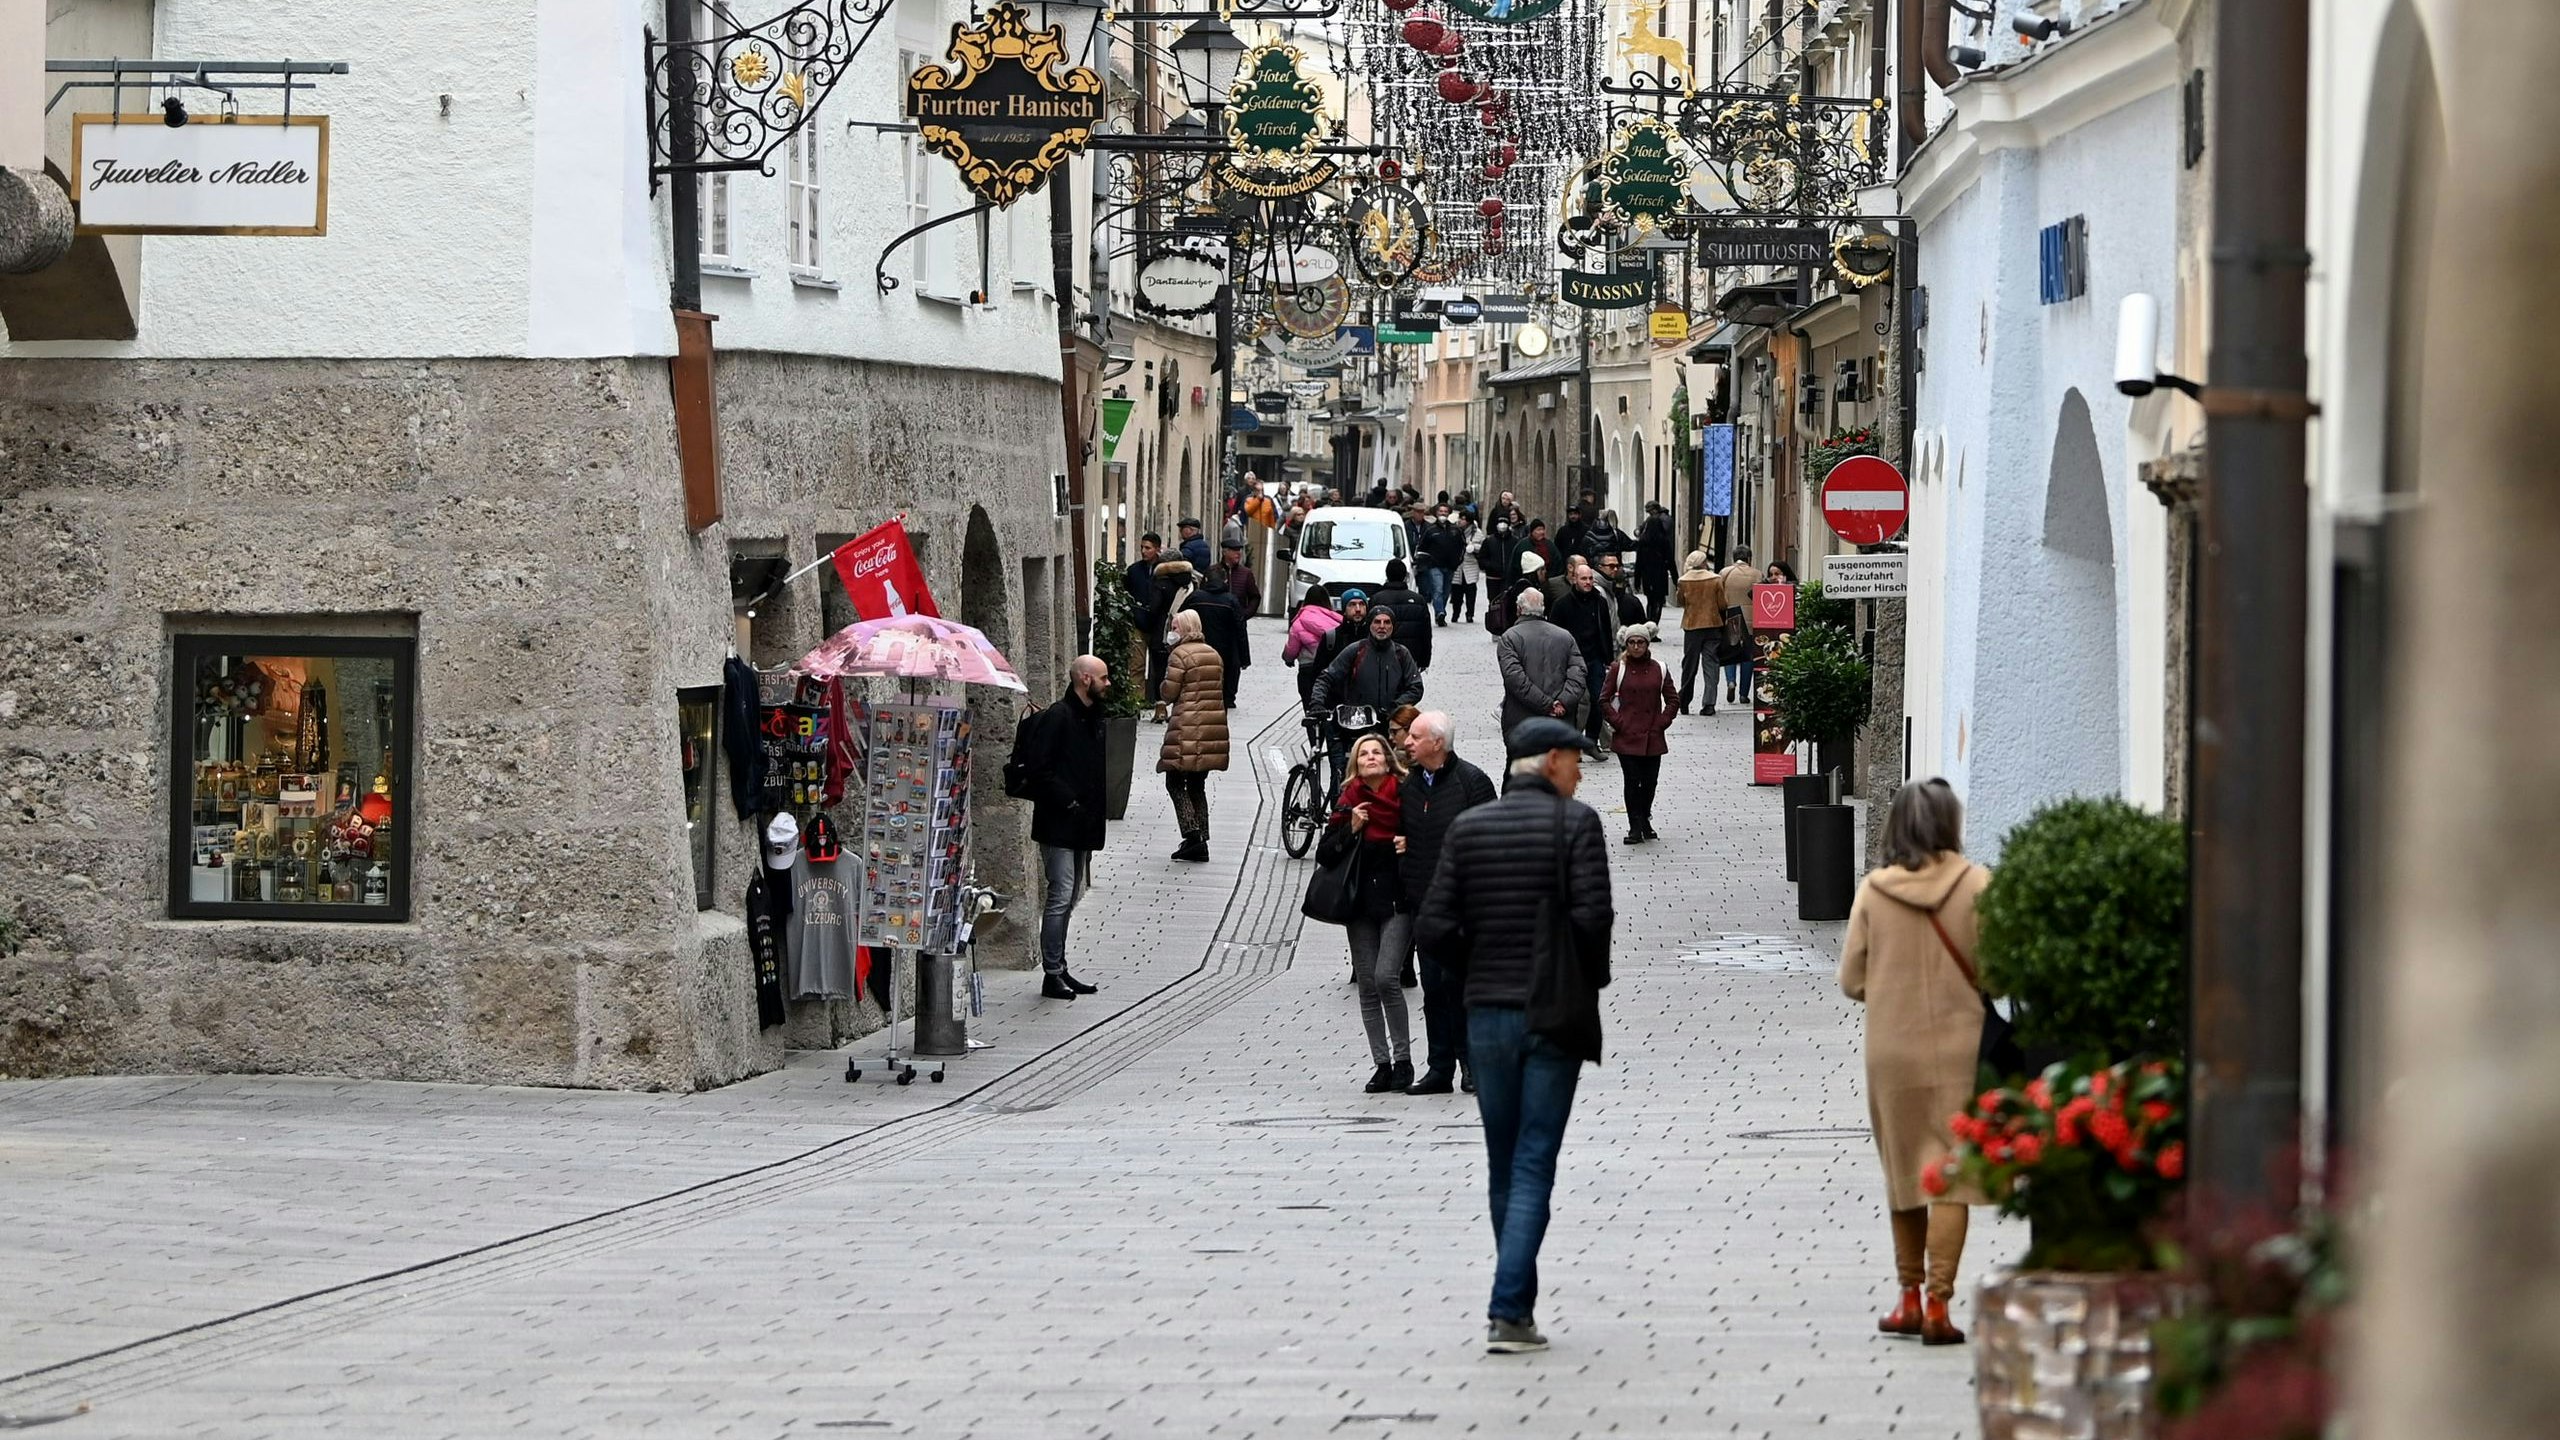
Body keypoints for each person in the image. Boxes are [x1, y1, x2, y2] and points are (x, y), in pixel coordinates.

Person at [1414, 715, 1615, 1355]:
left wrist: (1475, 966)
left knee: (1505, 1161)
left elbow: (1434, 925)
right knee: (1533, 1162)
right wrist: (1584, 979)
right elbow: (1593, 921)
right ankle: (1508, 1309)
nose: (1581, 771)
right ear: (1550, 761)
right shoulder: (1576, 825)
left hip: (1487, 1016)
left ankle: (1517, 1309)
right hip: (1552, 1013)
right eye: (1575, 760)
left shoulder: (1470, 827)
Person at [1837, 778, 1993, 1347]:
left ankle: (1905, 1297)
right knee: (1951, 1176)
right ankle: (1938, 1306)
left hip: (1892, 1052)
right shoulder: (1977, 885)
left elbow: (1852, 979)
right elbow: (1997, 972)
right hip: (1961, 1048)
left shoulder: (1876, 891)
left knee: (1905, 1172)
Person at [1396, 711, 1498, 1095]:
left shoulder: (1471, 782)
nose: (1407, 742)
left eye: (1415, 737)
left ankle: (1473, 1064)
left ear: (1437, 743)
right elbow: (1398, 834)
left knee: (1462, 987)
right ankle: (1439, 1067)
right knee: (1433, 988)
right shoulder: (1410, 786)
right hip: (1424, 905)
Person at [1016, 656, 1112, 1000]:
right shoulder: (1059, 716)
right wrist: (1069, 801)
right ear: (1085, 679)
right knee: (1060, 896)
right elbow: (1040, 770)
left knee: (1069, 898)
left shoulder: (1092, 718)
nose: (1108, 683)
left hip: (1081, 822)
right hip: (1059, 822)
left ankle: (1060, 967)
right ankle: (1051, 973)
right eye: (1103, 678)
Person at [1330, 732, 1414, 1093]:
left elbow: (1429, 835)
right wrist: (1350, 829)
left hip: (1397, 900)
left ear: (1387, 758)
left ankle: (1404, 1060)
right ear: (1356, 763)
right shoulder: (1348, 801)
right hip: (1360, 903)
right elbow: (1326, 854)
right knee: (1367, 983)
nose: (1370, 757)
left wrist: (1410, 843)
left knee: (1385, 977)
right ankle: (1382, 1064)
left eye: (1376, 751)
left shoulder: (1405, 795)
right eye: (1363, 753)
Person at [1157, 611, 1229, 864]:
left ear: (1185, 628)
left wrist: (1162, 685)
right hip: (1211, 727)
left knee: (1174, 781)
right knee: (1197, 784)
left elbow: (1169, 692)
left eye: (1175, 626)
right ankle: (1201, 840)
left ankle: (1192, 834)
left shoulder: (1179, 654)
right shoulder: (1213, 654)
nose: (1171, 630)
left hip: (1187, 727)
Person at [1599, 623, 1677, 843]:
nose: (1636, 646)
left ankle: (1645, 818)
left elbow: (1673, 699)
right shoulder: (1618, 668)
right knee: (1632, 781)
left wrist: (1662, 721)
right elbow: (1603, 700)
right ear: (1626, 644)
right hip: (1628, 735)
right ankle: (1635, 825)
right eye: (1632, 642)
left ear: (1647, 644)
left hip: (1653, 735)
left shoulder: (1659, 668)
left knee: (1650, 781)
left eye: (1640, 642)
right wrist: (1619, 722)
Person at [1493, 589, 1587, 744]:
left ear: (1519, 609)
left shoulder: (1510, 638)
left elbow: (1515, 679)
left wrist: (1547, 704)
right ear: (1543, 608)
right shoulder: (1565, 636)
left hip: (1522, 722)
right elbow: (1578, 673)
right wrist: (1562, 702)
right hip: (1560, 721)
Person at [1550, 560, 1620, 759]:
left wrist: (1609, 657)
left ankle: (1590, 742)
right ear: (1574, 579)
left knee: (1599, 700)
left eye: (1590, 578)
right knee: (1574, 703)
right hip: (1571, 661)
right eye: (1584, 579)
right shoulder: (1562, 605)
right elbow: (1554, 634)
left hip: (1595, 659)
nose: (1588, 582)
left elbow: (1606, 631)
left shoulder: (1599, 601)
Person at [1184, 565, 1251, 709]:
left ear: (1206, 579)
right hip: (1226, 650)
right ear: (1225, 580)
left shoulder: (1195, 598)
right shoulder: (1231, 601)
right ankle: (1227, 699)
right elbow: (1241, 630)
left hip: (1199, 648)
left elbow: (1182, 620)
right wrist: (1244, 658)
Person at [1143, 557, 1198, 722]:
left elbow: (1153, 609)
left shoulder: (1161, 583)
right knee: (1181, 670)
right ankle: (1178, 708)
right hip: (1185, 631)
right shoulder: (1191, 583)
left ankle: (1161, 708)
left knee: (1160, 670)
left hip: (1162, 634)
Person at [1674, 550, 1724, 714]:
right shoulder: (1715, 579)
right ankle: (1709, 704)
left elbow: (1680, 601)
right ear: (1704, 563)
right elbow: (1723, 604)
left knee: (1690, 664)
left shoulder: (1683, 581)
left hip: (1692, 626)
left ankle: (1684, 701)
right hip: (1712, 625)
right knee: (1710, 664)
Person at [1284, 581, 1344, 712]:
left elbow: (1291, 650)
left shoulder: (1299, 621)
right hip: (1331, 669)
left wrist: (1287, 658)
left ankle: (1313, 731)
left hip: (1308, 670)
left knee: (1310, 709)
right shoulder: (1337, 620)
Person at [1369, 558, 1434, 671]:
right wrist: (1424, 660)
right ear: (1405, 576)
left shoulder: (1376, 599)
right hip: (1411, 656)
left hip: (1382, 656)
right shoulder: (1418, 600)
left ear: (1387, 575)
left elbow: (1368, 631)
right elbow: (1426, 633)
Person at [1716, 545, 1760, 707]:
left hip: (1732, 617)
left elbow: (1719, 594)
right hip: (1751, 619)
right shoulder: (1757, 574)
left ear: (1734, 558)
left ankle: (1731, 681)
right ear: (1749, 558)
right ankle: (1743, 694)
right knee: (1748, 656)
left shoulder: (1724, 573)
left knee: (1731, 652)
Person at [1420, 508, 1467, 625]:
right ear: (1437, 513)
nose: (1443, 514)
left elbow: (1462, 546)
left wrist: (1458, 561)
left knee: (1446, 591)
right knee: (1438, 589)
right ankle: (1440, 612)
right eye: (1441, 512)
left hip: (1450, 566)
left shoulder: (1455, 530)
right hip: (1434, 565)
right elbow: (1422, 546)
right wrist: (1426, 561)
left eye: (1445, 512)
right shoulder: (1430, 530)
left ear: (1449, 514)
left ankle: (1441, 610)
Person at [1635, 503, 1676, 622]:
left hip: (1647, 575)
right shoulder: (1664, 541)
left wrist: (1637, 579)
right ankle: (1654, 625)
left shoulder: (1643, 542)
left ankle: (1649, 622)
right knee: (1658, 601)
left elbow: (1639, 562)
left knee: (1650, 601)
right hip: (1660, 574)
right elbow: (1671, 560)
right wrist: (1675, 578)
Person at [1451, 510, 1485, 623]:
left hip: (1471, 565)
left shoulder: (1477, 533)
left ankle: (1470, 614)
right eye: (1460, 518)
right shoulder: (1454, 531)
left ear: (1469, 521)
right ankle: (1456, 613)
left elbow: (1483, 547)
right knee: (1456, 592)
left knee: (1470, 591)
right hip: (1457, 566)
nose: (1460, 521)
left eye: (1463, 519)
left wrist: (1474, 547)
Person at [1221, 539, 1262, 619]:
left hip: (1238, 622)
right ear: (1225, 552)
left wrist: (1245, 614)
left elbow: (1255, 597)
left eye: (1239, 550)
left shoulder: (1246, 573)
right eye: (1234, 550)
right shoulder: (1213, 571)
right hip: (1217, 621)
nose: (1238, 553)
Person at [1126, 533, 1163, 614]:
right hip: (1138, 617)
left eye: (1147, 548)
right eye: (1142, 547)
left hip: (1159, 618)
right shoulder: (1133, 570)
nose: (1143, 551)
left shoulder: (1165, 570)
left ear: (1157, 549)